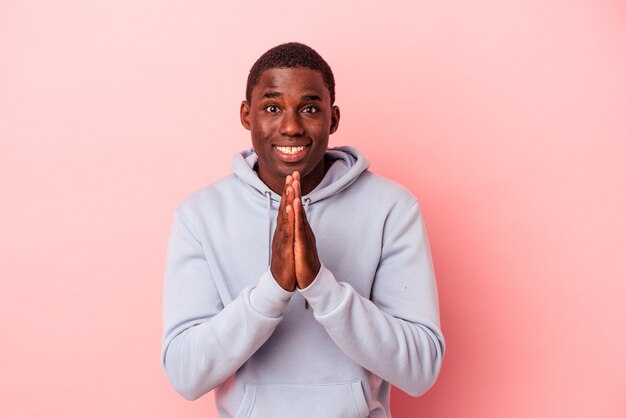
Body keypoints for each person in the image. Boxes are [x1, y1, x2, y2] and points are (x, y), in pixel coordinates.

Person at [161, 42, 445, 418]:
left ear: (333, 118)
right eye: (272, 107)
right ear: (247, 115)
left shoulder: (392, 208)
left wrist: (321, 287)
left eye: (309, 108)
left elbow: (421, 371)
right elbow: (185, 375)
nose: (291, 127)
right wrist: (272, 290)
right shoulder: (200, 214)